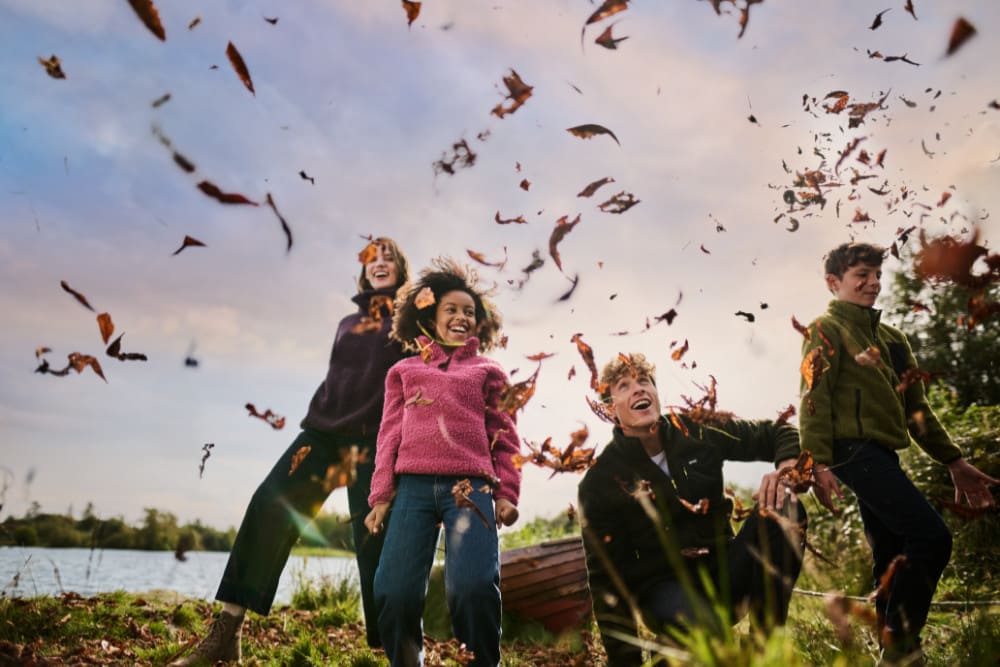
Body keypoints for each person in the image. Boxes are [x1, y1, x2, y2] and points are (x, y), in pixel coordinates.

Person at [169, 237, 411, 666]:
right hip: (322, 434)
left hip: (375, 444)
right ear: (363, 270)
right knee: (268, 504)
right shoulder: (344, 323)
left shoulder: (411, 321)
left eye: (389, 257)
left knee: (376, 545)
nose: (380, 262)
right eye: (373, 257)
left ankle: (398, 655)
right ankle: (227, 633)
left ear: (401, 269)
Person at [799, 241, 998, 665]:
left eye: (876, 275)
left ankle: (890, 652)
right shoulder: (826, 329)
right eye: (861, 277)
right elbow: (813, 397)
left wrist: (954, 460)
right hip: (851, 452)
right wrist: (815, 462)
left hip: (884, 454)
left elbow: (918, 411)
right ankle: (901, 646)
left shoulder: (893, 339)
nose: (872, 283)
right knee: (931, 536)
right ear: (834, 283)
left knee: (890, 555)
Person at [578, 353, 807, 666]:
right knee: (711, 640)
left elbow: (777, 432)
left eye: (644, 381)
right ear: (609, 409)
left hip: (723, 572)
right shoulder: (600, 481)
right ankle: (674, 651)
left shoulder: (696, 430)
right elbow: (606, 582)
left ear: (657, 394)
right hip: (663, 592)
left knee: (788, 509)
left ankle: (764, 649)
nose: (638, 389)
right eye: (624, 385)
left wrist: (787, 468)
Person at [364, 258, 521, 667]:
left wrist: (506, 492)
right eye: (451, 309)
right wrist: (381, 494)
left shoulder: (489, 371)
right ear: (430, 316)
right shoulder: (404, 370)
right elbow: (389, 435)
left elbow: (504, 436)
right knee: (394, 590)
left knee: (472, 587)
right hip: (412, 489)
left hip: (470, 487)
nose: (461, 317)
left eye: (469, 312)